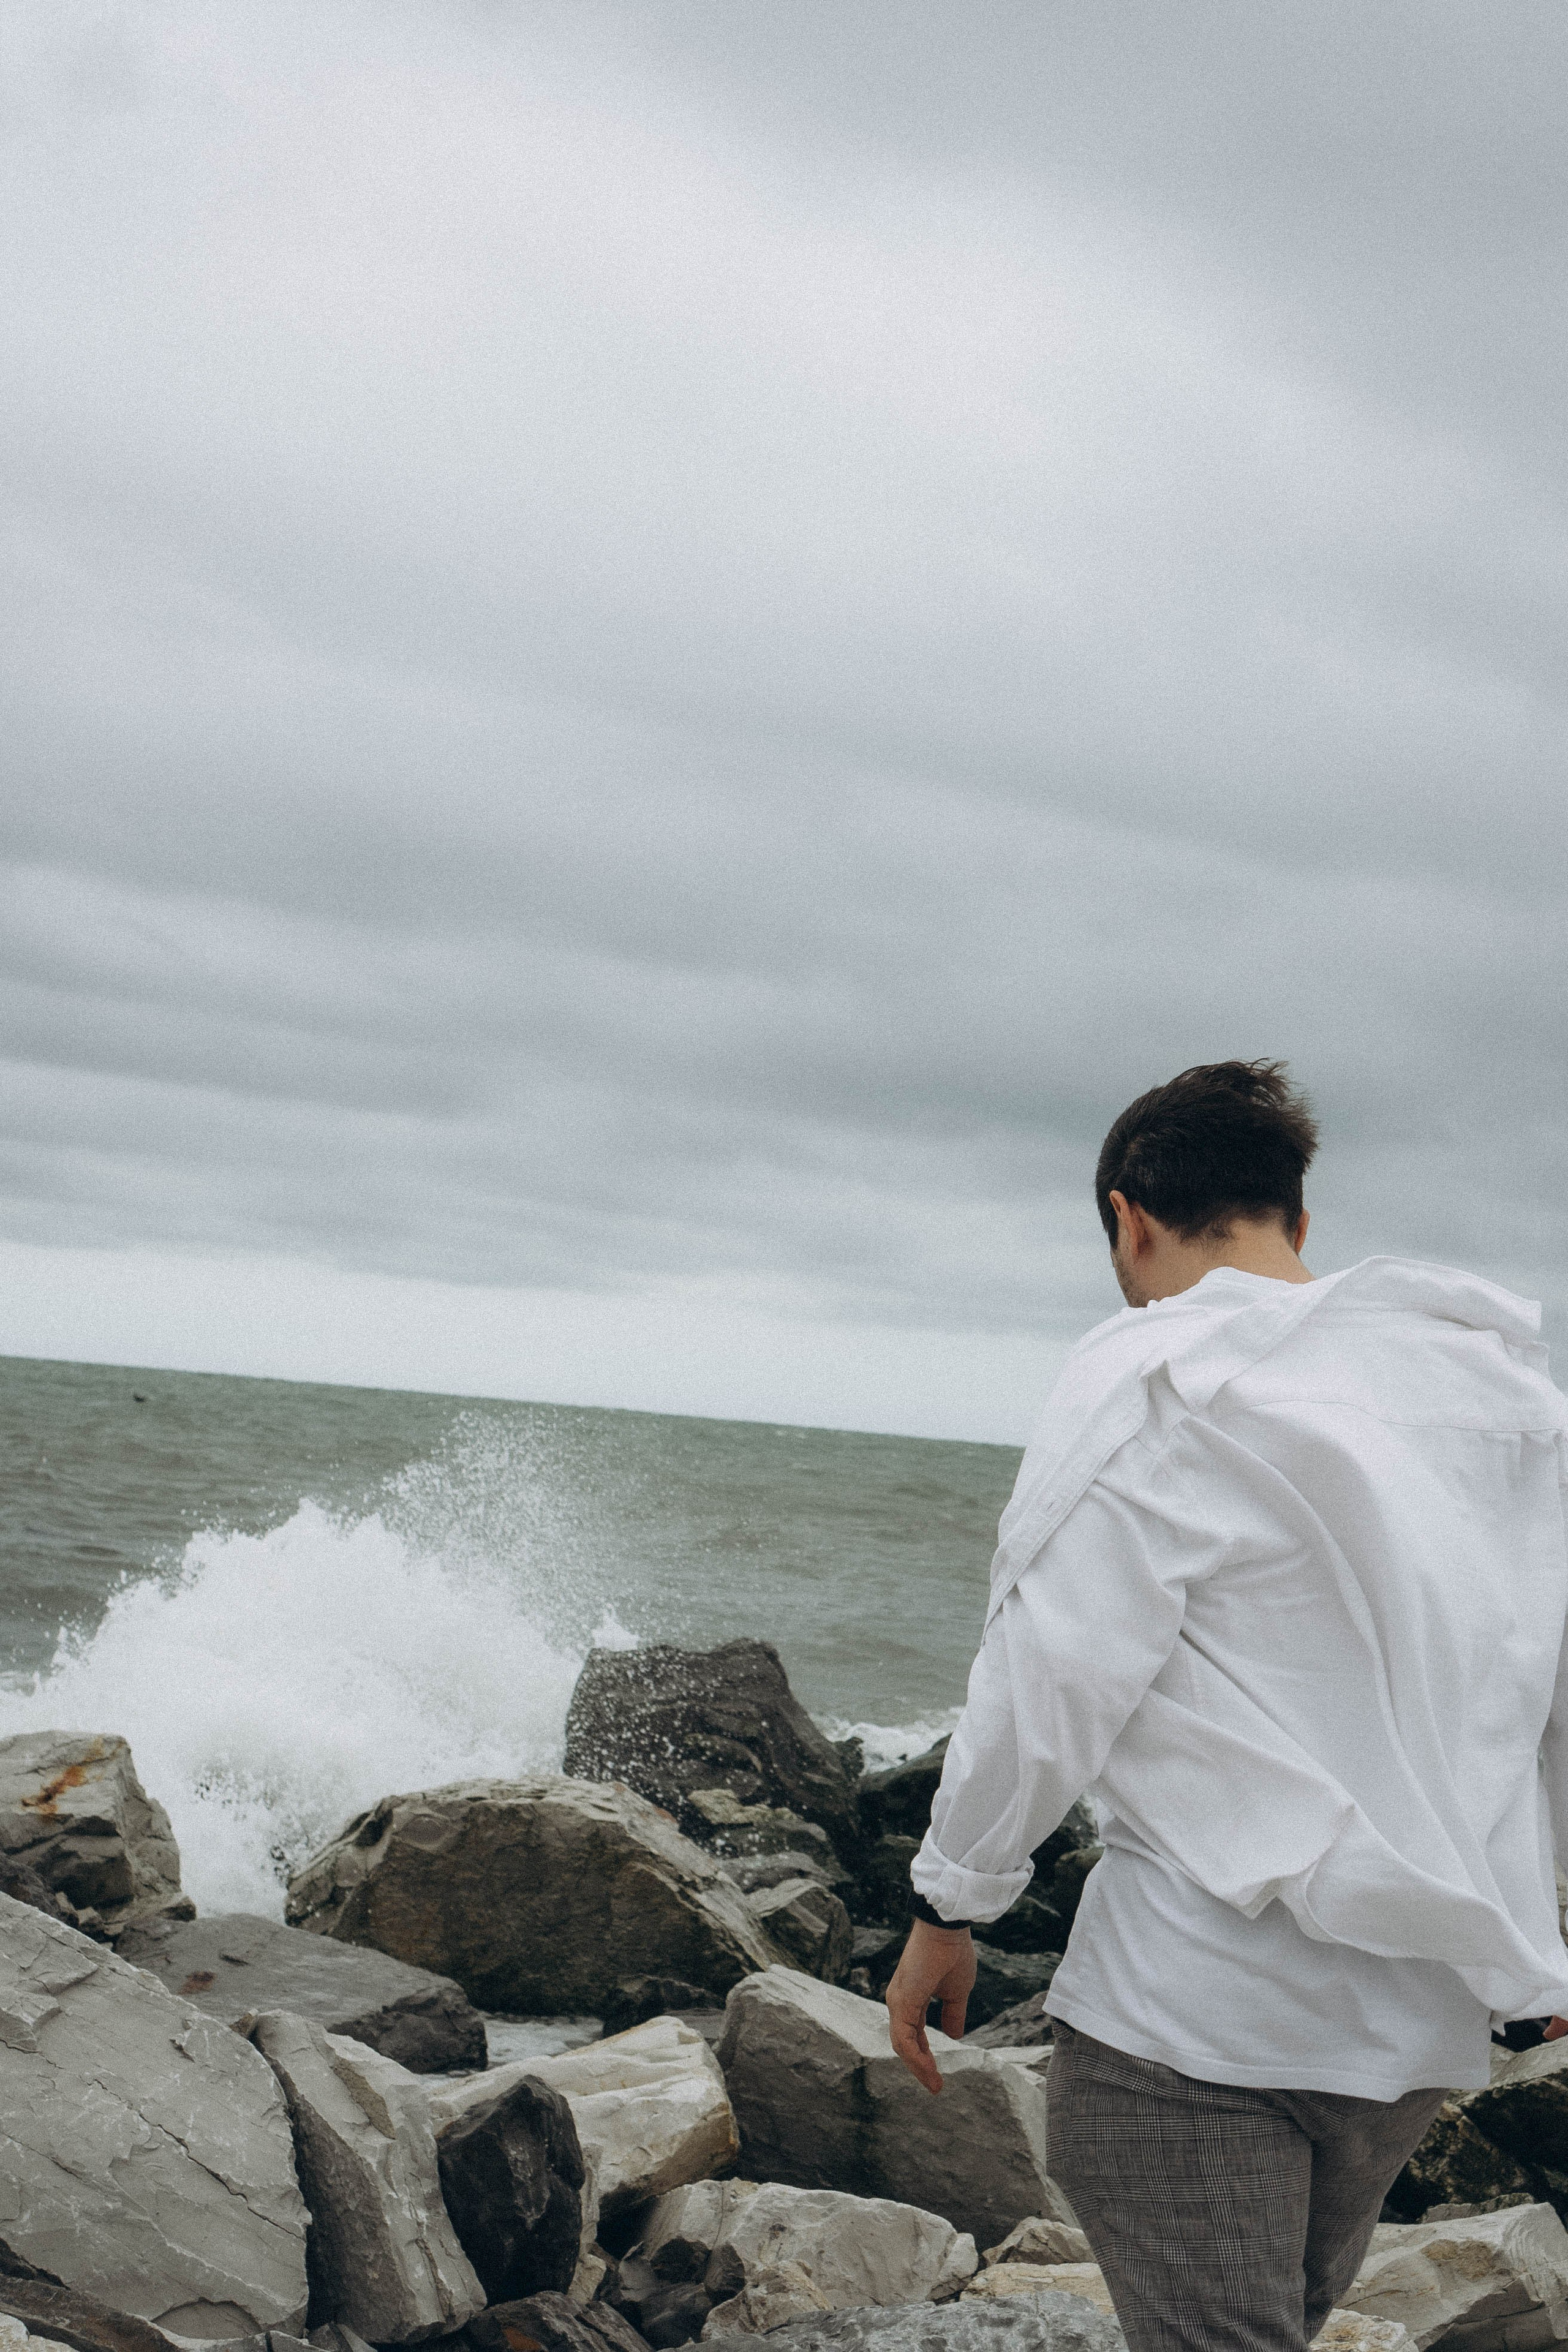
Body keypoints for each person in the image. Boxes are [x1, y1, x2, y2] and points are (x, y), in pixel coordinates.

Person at [885, 1059, 1568, 2352]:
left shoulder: (1149, 1380)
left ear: (1127, 1218)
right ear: (1294, 1223)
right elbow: (1545, 1698)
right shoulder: (1504, 1404)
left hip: (1193, 2025)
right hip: (1408, 2041)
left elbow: (1048, 1684)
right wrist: (1536, 1941)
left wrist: (948, 1903)